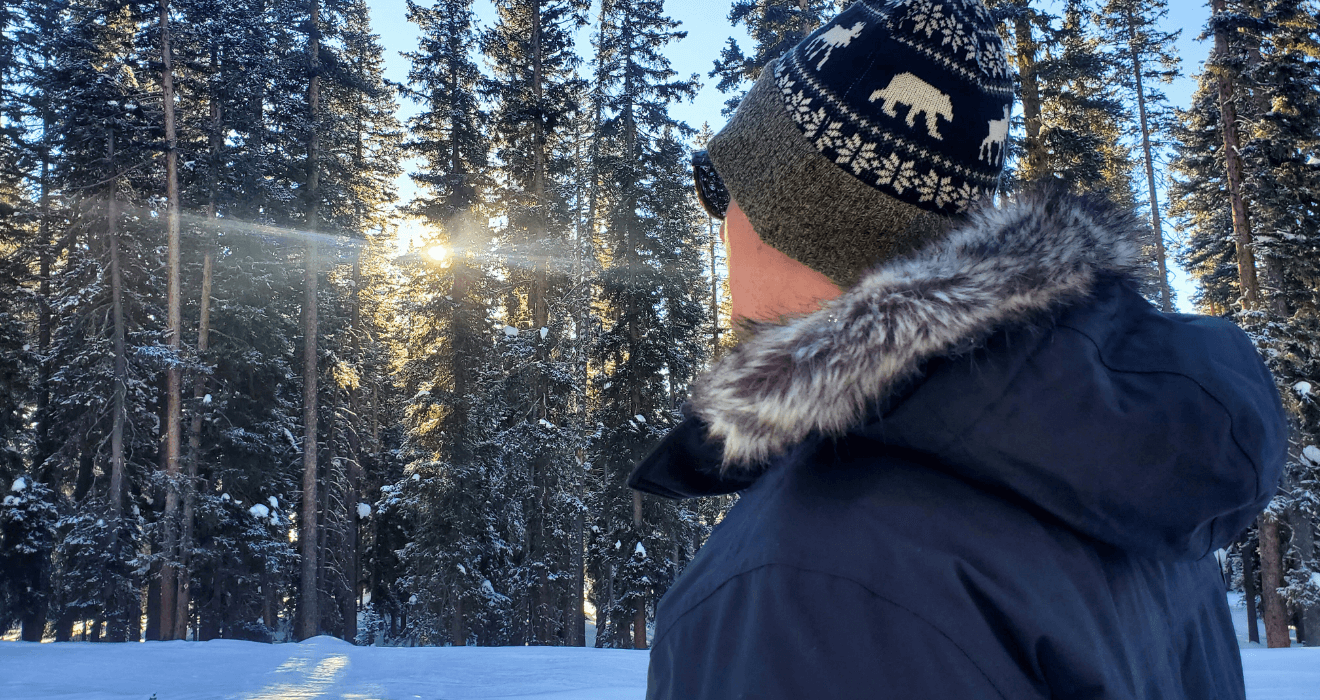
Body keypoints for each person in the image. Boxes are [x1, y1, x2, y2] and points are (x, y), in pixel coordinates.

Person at [628, 0, 1288, 697]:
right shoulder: (1140, 496)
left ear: (796, 224)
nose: (720, 223)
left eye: (723, 189)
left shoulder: (794, 582)